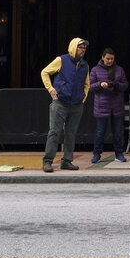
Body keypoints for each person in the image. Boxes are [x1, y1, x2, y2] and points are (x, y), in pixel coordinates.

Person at [40, 37, 90, 173]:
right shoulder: (61, 60)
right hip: (60, 102)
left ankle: (67, 161)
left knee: (71, 133)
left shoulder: (85, 65)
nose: (83, 50)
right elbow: (45, 72)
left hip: (76, 104)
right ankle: (48, 161)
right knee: (54, 132)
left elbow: (87, 84)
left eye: (84, 48)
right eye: (80, 47)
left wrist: (83, 98)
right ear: (73, 47)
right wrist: (51, 89)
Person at [89, 48, 129, 164]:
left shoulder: (119, 70)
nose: (110, 61)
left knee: (118, 132)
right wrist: (100, 84)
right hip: (101, 105)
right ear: (102, 57)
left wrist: (116, 84)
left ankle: (119, 153)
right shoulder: (95, 70)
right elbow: (90, 87)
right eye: (108, 59)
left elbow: (125, 85)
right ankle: (96, 154)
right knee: (100, 132)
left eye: (112, 59)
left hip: (116, 105)